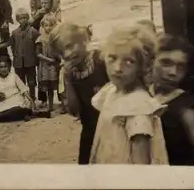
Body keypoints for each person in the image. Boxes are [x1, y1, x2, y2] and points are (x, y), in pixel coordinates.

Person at [89, 27, 168, 164]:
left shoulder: (138, 107)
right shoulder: (111, 91)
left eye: (129, 61)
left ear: (143, 66)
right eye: (112, 58)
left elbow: (141, 163)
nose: (118, 68)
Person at [48, 22, 108, 165]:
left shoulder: (100, 60)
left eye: (69, 46)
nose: (68, 54)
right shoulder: (70, 73)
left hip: (111, 127)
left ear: (82, 39)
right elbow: (74, 111)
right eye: (62, 53)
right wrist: (68, 81)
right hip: (90, 130)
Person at [150, 34, 194, 165]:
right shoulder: (144, 94)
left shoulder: (183, 105)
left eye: (180, 66)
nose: (173, 72)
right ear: (152, 61)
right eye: (166, 63)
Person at [0, 56, 34, 122]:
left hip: (16, 99)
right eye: (1, 67)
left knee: (18, 107)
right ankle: (21, 114)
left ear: (9, 67)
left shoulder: (14, 76)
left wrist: (30, 100)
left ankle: (20, 113)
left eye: (5, 66)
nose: (3, 69)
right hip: (3, 102)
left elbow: (23, 89)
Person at [10, 7, 40, 101]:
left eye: (24, 18)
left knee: (31, 82)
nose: (22, 20)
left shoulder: (33, 31)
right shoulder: (15, 33)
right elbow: (13, 46)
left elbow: (37, 46)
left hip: (30, 61)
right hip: (19, 62)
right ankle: (23, 100)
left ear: (27, 18)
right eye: (20, 18)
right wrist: (16, 56)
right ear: (17, 20)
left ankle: (32, 99)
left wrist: (35, 58)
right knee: (20, 82)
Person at [36, 13, 61, 114]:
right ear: (43, 26)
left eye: (51, 25)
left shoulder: (56, 38)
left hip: (55, 65)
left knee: (54, 85)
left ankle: (55, 104)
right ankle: (48, 105)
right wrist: (48, 60)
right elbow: (38, 54)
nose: (48, 28)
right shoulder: (40, 39)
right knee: (47, 86)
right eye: (46, 25)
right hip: (45, 65)